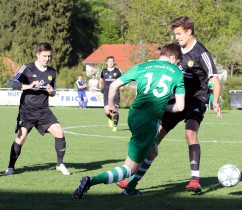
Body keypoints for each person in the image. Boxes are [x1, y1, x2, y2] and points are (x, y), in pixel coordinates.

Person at [117, 16, 222, 194]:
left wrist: (216, 100)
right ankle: (131, 182)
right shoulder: (176, 53)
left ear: (189, 32)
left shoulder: (202, 53)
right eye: (175, 34)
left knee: (190, 133)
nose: (177, 37)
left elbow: (214, 79)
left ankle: (195, 179)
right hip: (176, 101)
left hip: (196, 100)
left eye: (179, 34)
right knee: (153, 140)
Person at [72, 43, 185, 199]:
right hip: (149, 120)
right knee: (129, 169)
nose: (177, 65)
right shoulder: (177, 73)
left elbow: (113, 85)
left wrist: (111, 105)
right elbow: (180, 107)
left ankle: (131, 188)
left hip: (134, 114)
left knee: (152, 152)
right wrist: (164, 105)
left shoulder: (143, 66)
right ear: (173, 58)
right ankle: (91, 181)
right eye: (178, 62)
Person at [4, 42, 71, 176]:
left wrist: (51, 91)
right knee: (21, 138)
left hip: (43, 110)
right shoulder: (27, 68)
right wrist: (30, 85)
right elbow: (14, 84)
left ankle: (60, 164)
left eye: (49, 56)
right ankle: (11, 167)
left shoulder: (52, 72)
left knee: (59, 132)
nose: (47, 59)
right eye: (45, 56)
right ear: (37, 55)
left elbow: (53, 92)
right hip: (27, 111)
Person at [99, 56, 122, 131]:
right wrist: (100, 84)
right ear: (107, 62)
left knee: (114, 110)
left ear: (114, 62)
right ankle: (109, 118)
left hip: (116, 93)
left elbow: (122, 80)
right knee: (107, 111)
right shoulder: (103, 71)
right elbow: (101, 79)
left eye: (112, 61)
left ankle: (115, 126)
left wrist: (122, 86)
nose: (110, 63)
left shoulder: (118, 71)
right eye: (109, 61)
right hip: (106, 93)